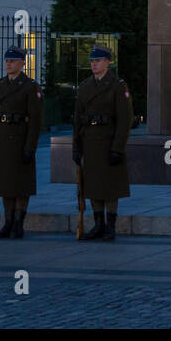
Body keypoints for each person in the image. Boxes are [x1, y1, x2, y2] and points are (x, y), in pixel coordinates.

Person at [0, 47, 43, 238]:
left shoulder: (31, 87)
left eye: (13, 61)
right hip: (1, 141)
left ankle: (18, 224)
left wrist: (30, 147)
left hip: (19, 140)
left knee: (20, 185)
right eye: (7, 61)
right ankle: (7, 223)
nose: (9, 64)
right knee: (5, 185)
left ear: (22, 63)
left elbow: (36, 121)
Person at [72, 46, 132, 241]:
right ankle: (98, 225)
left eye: (98, 60)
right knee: (93, 185)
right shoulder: (85, 86)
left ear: (108, 62)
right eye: (92, 61)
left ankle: (110, 226)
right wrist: (76, 146)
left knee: (110, 186)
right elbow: (78, 119)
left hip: (109, 140)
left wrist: (118, 147)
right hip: (90, 140)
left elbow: (125, 119)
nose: (94, 64)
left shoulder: (117, 85)